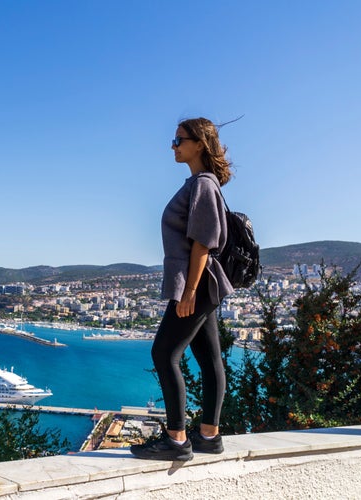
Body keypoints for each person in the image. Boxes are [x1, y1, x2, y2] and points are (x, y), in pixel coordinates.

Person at [131, 117, 234, 461]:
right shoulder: (199, 183)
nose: (172, 146)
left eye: (178, 140)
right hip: (203, 282)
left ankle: (177, 440)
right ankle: (209, 436)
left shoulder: (203, 183)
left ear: (199, 144)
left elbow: (203, 243)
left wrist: (189, 291)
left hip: (197, 281)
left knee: (163, 353)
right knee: (209, 359)